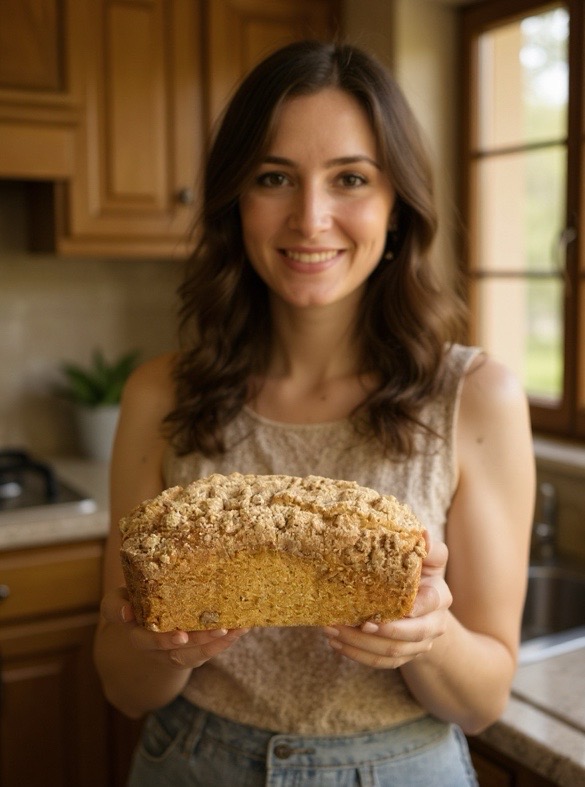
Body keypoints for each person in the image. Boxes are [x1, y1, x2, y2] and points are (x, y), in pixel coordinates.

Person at [94, 40, 535, 787]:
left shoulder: (475, 396)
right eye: (274, 178)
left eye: (350, 179)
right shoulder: (159, 393)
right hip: (192, 762)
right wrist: (158, 645)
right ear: (237, 201)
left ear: (397, 206)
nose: (310, 217)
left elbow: (484, 699)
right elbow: (121, 683)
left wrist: (427, 635)